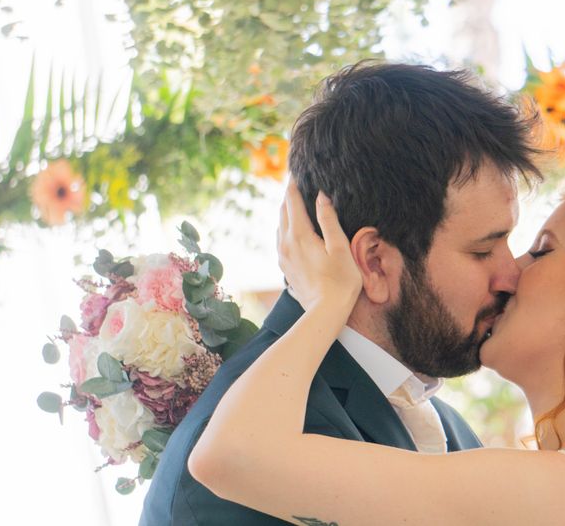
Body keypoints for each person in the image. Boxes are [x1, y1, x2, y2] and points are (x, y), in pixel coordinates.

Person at [190, 169, 565, 525]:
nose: (511, 271)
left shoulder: (562, 494)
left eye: (542, 250)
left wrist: (324, 300)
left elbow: (229, 458)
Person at [138, 61, 543, 525]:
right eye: (483, 249)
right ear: (373, 261)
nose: (512, 275)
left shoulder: (450, 428)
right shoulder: (240, 463)